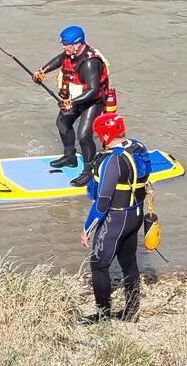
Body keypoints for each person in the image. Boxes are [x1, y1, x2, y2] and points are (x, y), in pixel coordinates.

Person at [80, 112, 150, 324]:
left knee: (99, 266)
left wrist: (87, 229)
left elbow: (102, 202)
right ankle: (131, 312)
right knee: (129, 263)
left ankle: (102, 317)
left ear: (104, 136)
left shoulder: (113, 161)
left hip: (116, 219)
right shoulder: (137, 147)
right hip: (135, 215)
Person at [34, 25, 111, 187]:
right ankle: (70, 158)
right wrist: (42, 70)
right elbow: (60, 58)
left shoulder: (90, 63)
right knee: (62, 124)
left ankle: (89, 171)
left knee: (83, 135)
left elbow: (93, 90)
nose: (63, 47)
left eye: (66, 44)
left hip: (92, 100)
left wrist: (72, 102)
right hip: (76, 97)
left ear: (77, 44)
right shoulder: (71, 52)